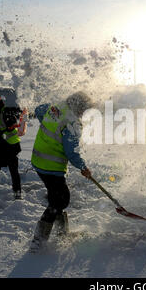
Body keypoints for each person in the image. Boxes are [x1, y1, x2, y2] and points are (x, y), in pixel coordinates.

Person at [29, 91, 93, 252]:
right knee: (61, 201)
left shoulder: (56, 108)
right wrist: (83, 167)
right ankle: (38, 240)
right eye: (85, 109)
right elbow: (71, 152)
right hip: (51, 166)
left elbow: (39, 110)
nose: (84, 113)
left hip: (38, 161)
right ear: (80, 106)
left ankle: (62, 233)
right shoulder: (72, 123)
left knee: (55, 197)